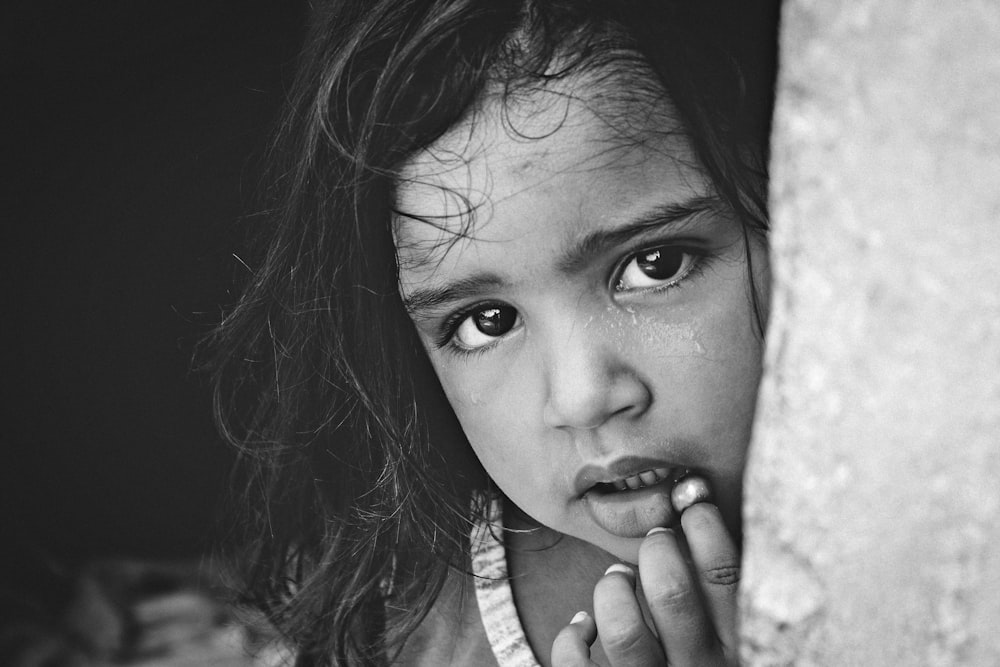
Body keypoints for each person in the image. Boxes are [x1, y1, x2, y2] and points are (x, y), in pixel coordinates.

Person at [204, 0, 777, 664]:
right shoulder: (399, 619)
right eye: (487, 321)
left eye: (656, 265)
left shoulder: (910, 563)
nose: (582, 397)